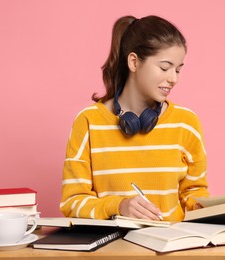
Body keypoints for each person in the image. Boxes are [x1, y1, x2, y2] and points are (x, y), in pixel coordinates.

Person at [60, 15, 209, 221]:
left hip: (171, 249)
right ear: (134, 62)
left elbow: (194, 195)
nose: (173, 79)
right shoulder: (88, 122)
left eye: (178, 70)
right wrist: (119, 206)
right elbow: (72, 202)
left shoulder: (186, 123)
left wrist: (223, 212)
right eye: (165, 68)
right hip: (112, 251)